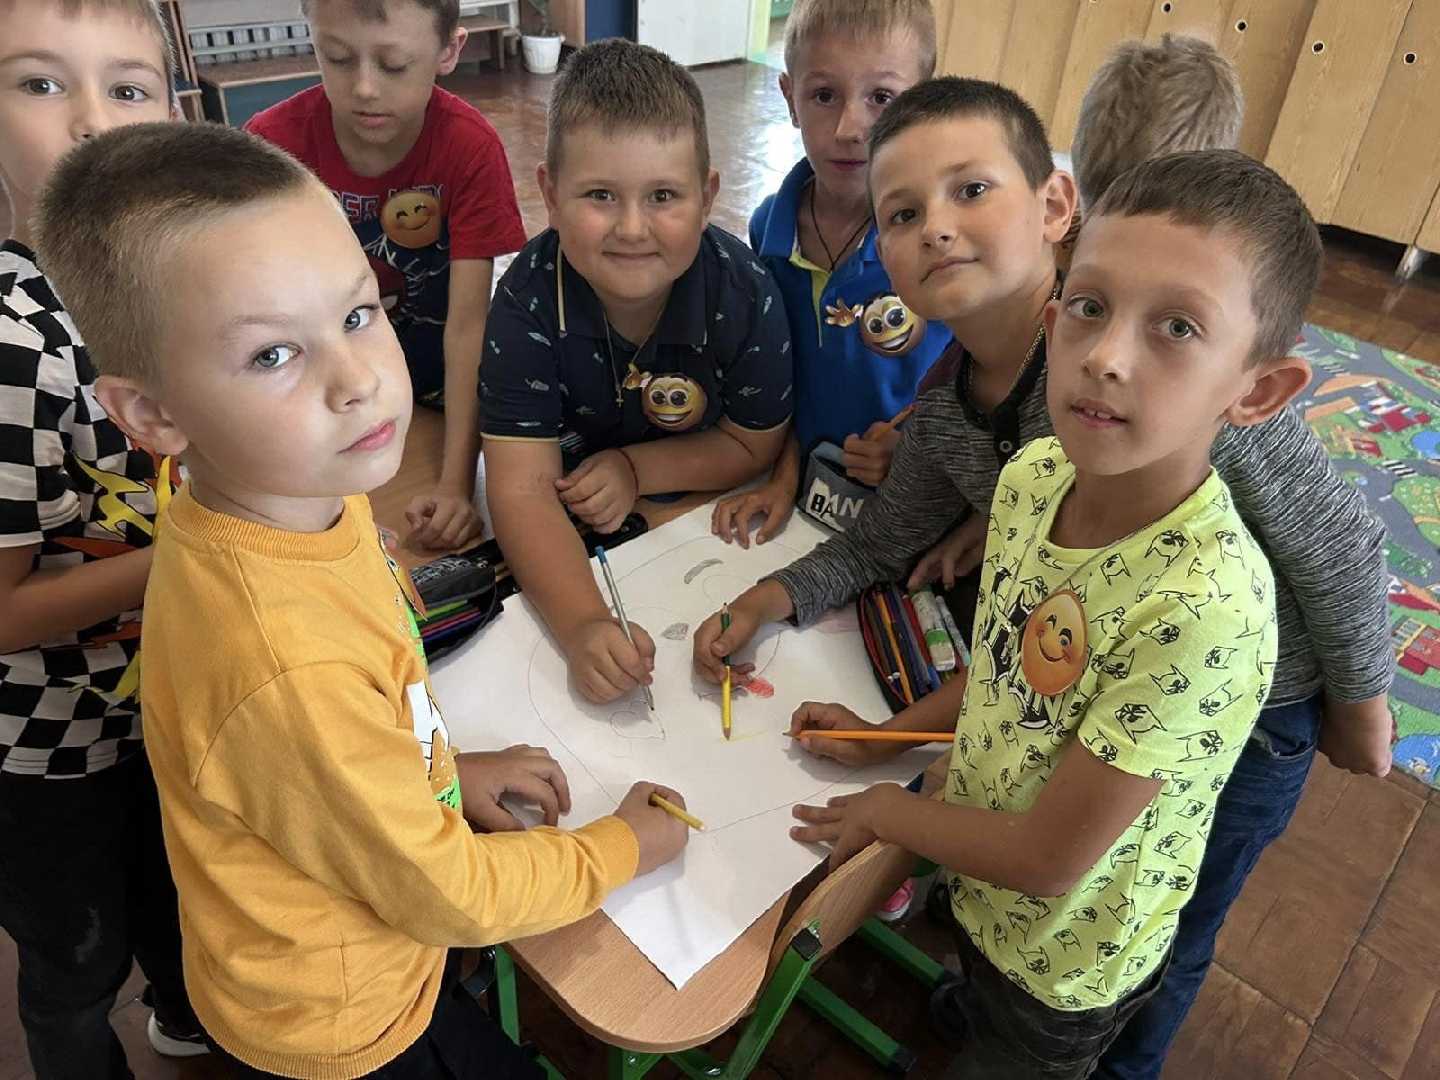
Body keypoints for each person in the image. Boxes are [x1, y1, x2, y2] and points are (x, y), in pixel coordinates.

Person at [695, 77, 1393, 1075]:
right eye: (902, 213)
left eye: (971, 189)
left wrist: (1361, 712)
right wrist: (806, 644)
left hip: (1257, 711)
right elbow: (985, 637)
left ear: (1055, 205)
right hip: (1063, 750)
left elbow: (1340, 548)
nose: (1108, 358)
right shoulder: (1015, 454)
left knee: (1172, 922)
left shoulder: (1191, 430)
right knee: (1030, 947)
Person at [33, 120, 690, 1079]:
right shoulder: (282, 662)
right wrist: (623, 846)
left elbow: (322, 762)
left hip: (361, 932)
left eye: (357, 314)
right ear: (155, 415)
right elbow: (448, 893)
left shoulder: (287, 490)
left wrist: (439, 771)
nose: (357, 382)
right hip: (343, 1022)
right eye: (272, 355)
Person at [0, 3, 205, 1073]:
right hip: (48, 751)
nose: (91, 122)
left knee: (174, 892)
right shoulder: (14, 347)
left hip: (157, 701)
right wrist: (193, 551)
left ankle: (184, 1013)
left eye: (127, 89)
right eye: (41, 84)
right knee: (76, 964)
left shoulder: (162, 284)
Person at [482, 39, 793, 706]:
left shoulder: (745, 293)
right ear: (550, 195)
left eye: (662, 196)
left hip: (688, 514)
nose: (631, 228)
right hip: (583, 509)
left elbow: (754, 443)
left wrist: (634, 470)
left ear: (707, 197)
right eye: (600, 195)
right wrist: (583, 624)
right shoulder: (525, 299)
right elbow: (519, 487)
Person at [247, 0, 528, 553]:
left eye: (394, 64)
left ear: (449, 50)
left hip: (439, 378)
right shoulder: (271, 146)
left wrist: (456, 487)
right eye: (336, 58)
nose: (364, 88)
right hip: (325, 384)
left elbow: (468, 328)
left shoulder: (469, 148)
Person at [713, 0, 952, 545]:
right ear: (789, 99)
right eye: (824, 95)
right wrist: (784, 473)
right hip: (804, 496)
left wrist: (912, 447)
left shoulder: (944, 241)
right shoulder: (767, 230)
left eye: (882, 98)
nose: (849, 128)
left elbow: (981, 379)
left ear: (922, 104)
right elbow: (778, 376)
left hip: (918, 505)